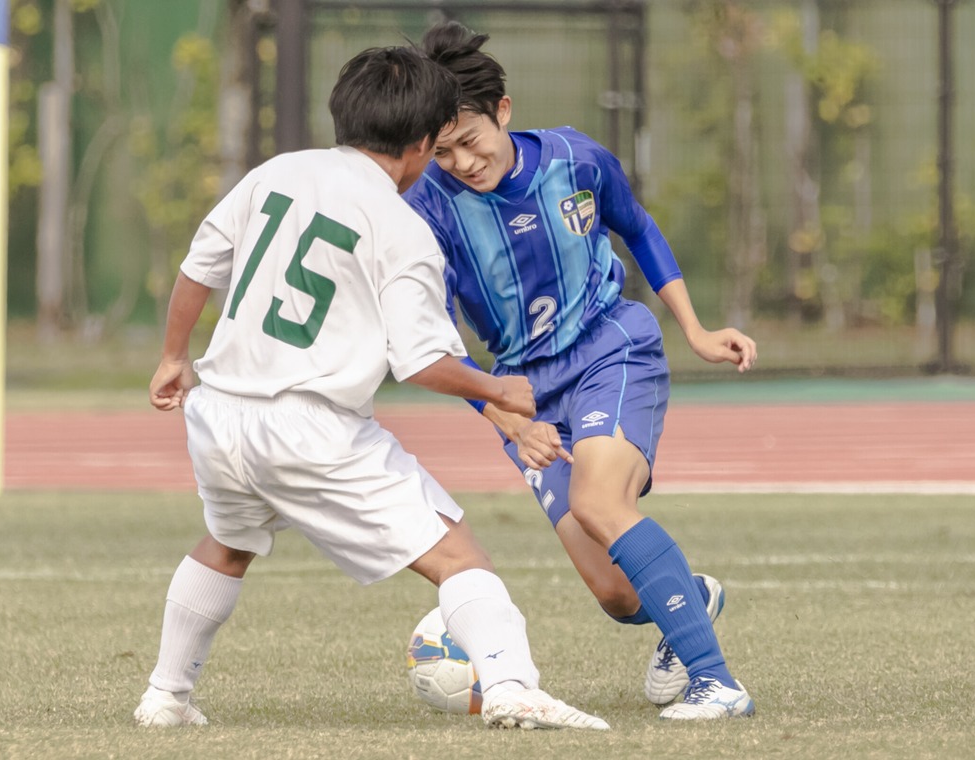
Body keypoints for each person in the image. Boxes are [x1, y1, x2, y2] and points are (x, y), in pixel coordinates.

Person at [133, 44, 609, 732]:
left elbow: (200, 263)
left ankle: (165, 697)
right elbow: (421, 362)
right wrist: (498, 389)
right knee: (459, 557)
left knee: (227, 544)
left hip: (219, 415)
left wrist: (174, 355)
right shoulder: (400, 225)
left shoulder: (278, 171)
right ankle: (511, 688)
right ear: (420, 145)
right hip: (310, 427)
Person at [404, 21, 758, 720]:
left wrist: (696, 329)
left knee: (601, 503)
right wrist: (502, 415)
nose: (462, 162)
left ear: (503, 110)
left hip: (611, 348)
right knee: (616, 595)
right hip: (521, 393)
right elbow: (434, 336)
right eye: (442, 152)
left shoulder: (576, 158)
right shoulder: (429, 210)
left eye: (470, 142)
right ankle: (689, 595)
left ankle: (719, 684)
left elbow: (638, 228)